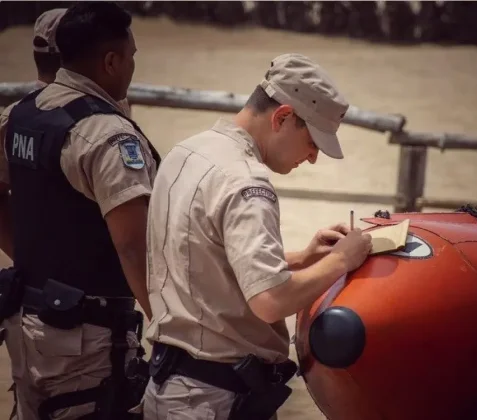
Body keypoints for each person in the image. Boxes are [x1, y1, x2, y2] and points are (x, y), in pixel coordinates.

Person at [142, 53, 373, 420]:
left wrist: (303, 258)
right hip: (214, 398)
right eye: (313, 140)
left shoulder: (186, 152)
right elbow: (270, 301)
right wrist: (342, 260)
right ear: (282, 117)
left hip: (168, 386)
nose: (313, 157)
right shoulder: (246, 180)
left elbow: (202, 256)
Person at [0, 2, 160, 419]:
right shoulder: (104, 135)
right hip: (84, 339)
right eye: (131, 57)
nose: (133, 67)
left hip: (30, 320)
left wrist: (35, 265)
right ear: (111, 61)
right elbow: (131, 246)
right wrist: (166, 321)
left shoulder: (21, 115)